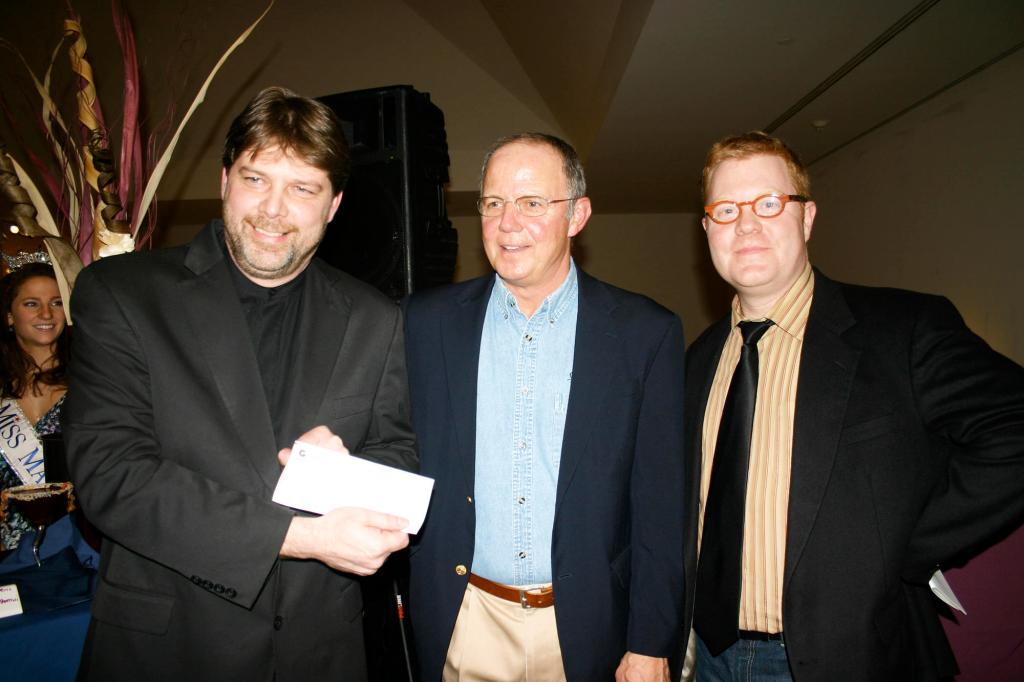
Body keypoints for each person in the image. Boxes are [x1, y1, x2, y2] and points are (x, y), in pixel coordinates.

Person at [64, 86, 417, 681]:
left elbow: (397, 452)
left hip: (320, 652)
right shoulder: (122, 294)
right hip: (168, 650)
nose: (274, 210)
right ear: (225, 179)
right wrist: (298, 536)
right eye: (257, 180)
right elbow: (111, 474)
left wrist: (349, 471)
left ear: (333, 205)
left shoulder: (374, 317)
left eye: (303, 188)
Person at [683, 130, 1024, 681]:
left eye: (769, 203)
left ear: (807, 218)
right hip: (709, 657)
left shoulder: (903, 331)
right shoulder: (696, 362)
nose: (745, 224)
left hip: (848, 656)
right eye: (725, 209)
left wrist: (909, 550)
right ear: (706, 230)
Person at [404, 132, 686, 681]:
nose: (508, 223)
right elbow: (389, 443)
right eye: (492, 203)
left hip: (587, 626)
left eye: (532, 203)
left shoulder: (644, 333)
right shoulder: (424, 323)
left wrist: (651, 641)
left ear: (577, 215)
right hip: (465, 618)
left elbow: (660, 503)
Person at [0, 260, 69, 550]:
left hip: (72, 542)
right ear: (9, 316)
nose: (46, 314)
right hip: (6, 546)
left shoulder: (93, 383)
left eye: (56, 302)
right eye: (31, 303)